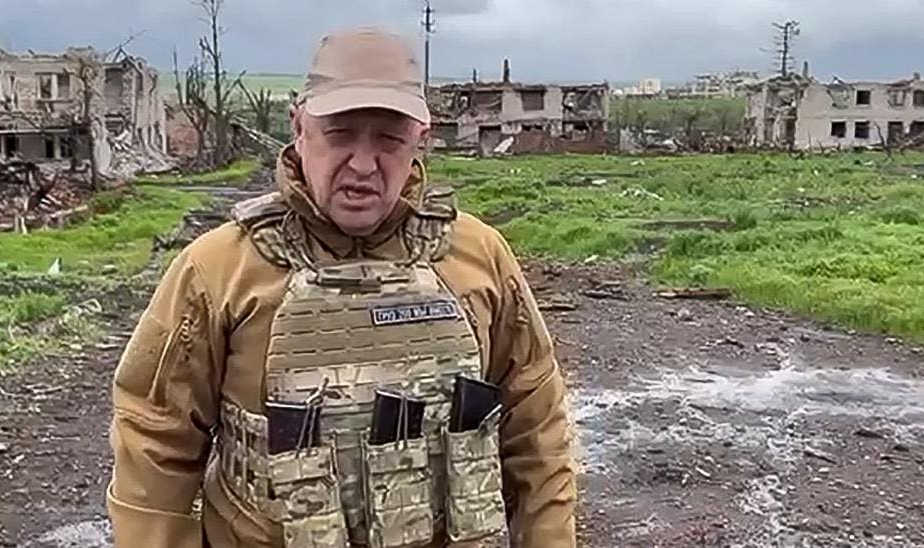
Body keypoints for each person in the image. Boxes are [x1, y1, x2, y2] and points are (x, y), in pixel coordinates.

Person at [107, 26, 577, 548]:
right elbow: (154, 444)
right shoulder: (218, 270)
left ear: (420, 140)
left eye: (389, 139)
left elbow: (537, 432)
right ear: (299, 127)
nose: (363, 164)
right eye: (340, 133)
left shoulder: (479, 257)